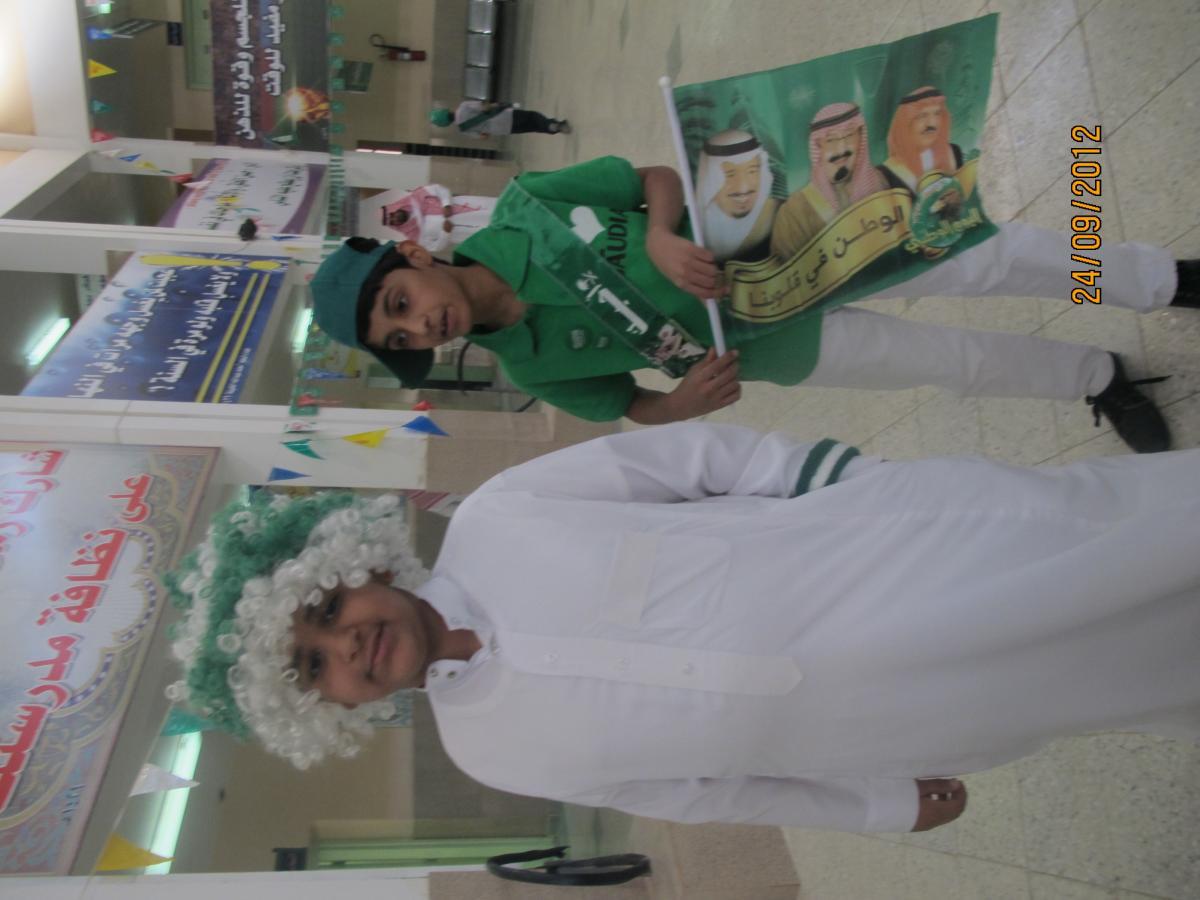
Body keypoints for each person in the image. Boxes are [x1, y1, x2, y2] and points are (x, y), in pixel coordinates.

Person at [165, 422, 1200, 833]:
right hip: (917, 712)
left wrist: (854, 483)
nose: (345, 645)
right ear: (326, 708)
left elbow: (698, 460)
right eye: (314, 668)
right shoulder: (489, 753)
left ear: (347, 564)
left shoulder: (500, 516)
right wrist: (878, 805)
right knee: (1138, 678)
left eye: (325, 611)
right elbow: (704, 795)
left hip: (914, 552)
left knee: (1130, 534)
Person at [309, 156, 1199, 452]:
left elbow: (650, 177)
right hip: (778, 351)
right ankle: (1099, 376)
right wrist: (684, 404)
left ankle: (1161, 280)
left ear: (413, 254)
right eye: (401, 336)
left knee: (985, 260)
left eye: (400, 300)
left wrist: (662, 233)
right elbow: (630, 404)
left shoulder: (525, 208)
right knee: (950, 364)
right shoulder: (529, 365)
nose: (419, 325)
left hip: (797, 247)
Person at [769, 102, 890, 261]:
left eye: (849, 135)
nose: (841, 148)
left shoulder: (881, 184)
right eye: (831, 140)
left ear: (860, 139)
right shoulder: (793, 213)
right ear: (818, 146)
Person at [696, 129, 780, 263]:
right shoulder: (696, 223)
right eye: (730, 175)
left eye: (752, 171)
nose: (743, 187)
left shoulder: (779, 213)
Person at [360, 184, 496, 254]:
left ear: (393, 208)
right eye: (392, 222)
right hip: (466, 233)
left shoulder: (417, 196)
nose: (394, 218)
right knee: (495, 233)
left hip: (471, 206)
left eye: (391, 214)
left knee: (497, 209)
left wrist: (446, 204)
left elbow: (439, 189)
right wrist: (445, 233)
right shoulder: (414, 236)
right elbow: (434, 247)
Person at [430, 101, 569, 138]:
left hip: (503, 129)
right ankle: (552, 125)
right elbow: (484, 107)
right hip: (504, 116)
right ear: (445, 110)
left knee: (532, 127)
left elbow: (483, 136)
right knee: (533, 116)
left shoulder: (462, 129)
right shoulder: (463, 106)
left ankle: (554, 128)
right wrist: (497, 105)